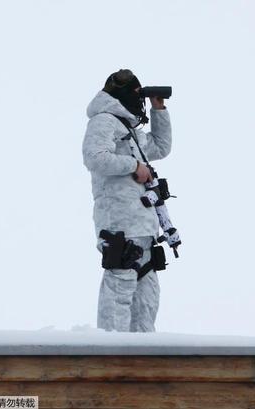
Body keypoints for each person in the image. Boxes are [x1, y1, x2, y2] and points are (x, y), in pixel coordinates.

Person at [82, 69, 172, 332]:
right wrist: (134, 166)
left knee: (146, 299)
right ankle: (110, 356)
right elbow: (94, 157)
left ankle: (143, 358)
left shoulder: (129, 129)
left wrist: (158, 110)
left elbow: (161, 147)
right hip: (119, 223)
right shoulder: (104, 122)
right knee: (119, 291)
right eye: (137, 94)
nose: (139, 99)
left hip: (143, 226)